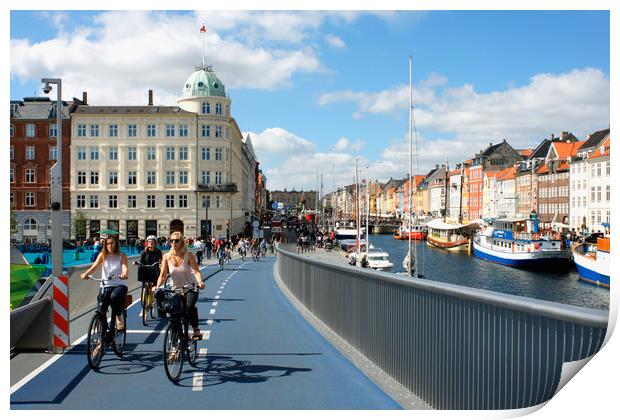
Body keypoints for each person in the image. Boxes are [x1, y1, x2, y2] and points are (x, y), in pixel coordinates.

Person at [156, 231, 205, 339]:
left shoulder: (188, 255)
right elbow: (163, 275)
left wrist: (200, 282)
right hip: (175, 289)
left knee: (189, 306)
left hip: (190, 287)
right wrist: (157, 286)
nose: (173, 242)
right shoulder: (166, 256)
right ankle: (174, 347)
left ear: (181, 242)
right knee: (174, 317)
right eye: (171, 240)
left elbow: (196, 271)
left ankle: (196, 329)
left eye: (176, 240)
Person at [80, 236, 129, 333]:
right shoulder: (103, 255)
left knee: (114, 297)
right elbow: (94, 267)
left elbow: (124, 267)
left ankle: (118, 316)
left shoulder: (122, 255)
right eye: (107, 243)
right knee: (101, 309)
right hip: (105, 285)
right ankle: (102, 337)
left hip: (119, 284)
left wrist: (124, 274)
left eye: (112, 243)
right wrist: (86, 274)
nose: (110, 245)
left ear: (116, 244)